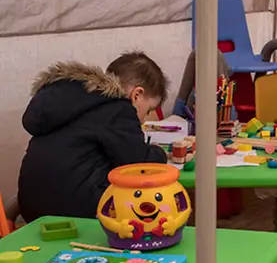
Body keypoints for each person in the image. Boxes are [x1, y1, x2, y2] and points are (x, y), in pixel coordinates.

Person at [18, 52, 169, 223]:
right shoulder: (118, 108)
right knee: (150, 206)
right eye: (148, 110)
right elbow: (138, 165)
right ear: (137, 95)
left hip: (31, 210)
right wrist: (160, 153)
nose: (144, 120)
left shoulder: (72, 99)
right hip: (78, 212)